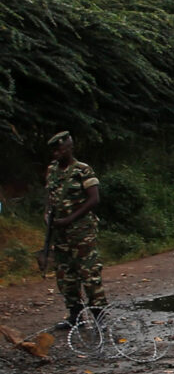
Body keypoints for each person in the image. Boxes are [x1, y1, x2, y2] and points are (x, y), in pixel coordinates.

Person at [43, 131, 109, 329]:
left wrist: (70, 219)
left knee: (89, 274)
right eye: (54, 150)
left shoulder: (82, 170)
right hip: (60, 234)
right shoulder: (52, 170)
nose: (56, 154)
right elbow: (49, 195)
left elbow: (94, 198)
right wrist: (47, 214)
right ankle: (75, 315)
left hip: (81, 232)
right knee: (65, 275)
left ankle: (99, 317)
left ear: (69, 148)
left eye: (60, 149)